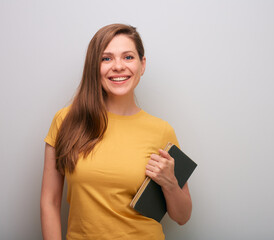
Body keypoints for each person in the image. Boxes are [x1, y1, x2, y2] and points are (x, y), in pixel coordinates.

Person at [40, 23, 192, 240]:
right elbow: (50, 201)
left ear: (142, 65)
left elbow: (182, 216)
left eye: (128, 57)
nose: (118, 66)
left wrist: (169, 182)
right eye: (106, 58)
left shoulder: (162, 131)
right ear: (94, 66)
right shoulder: (66, 121)